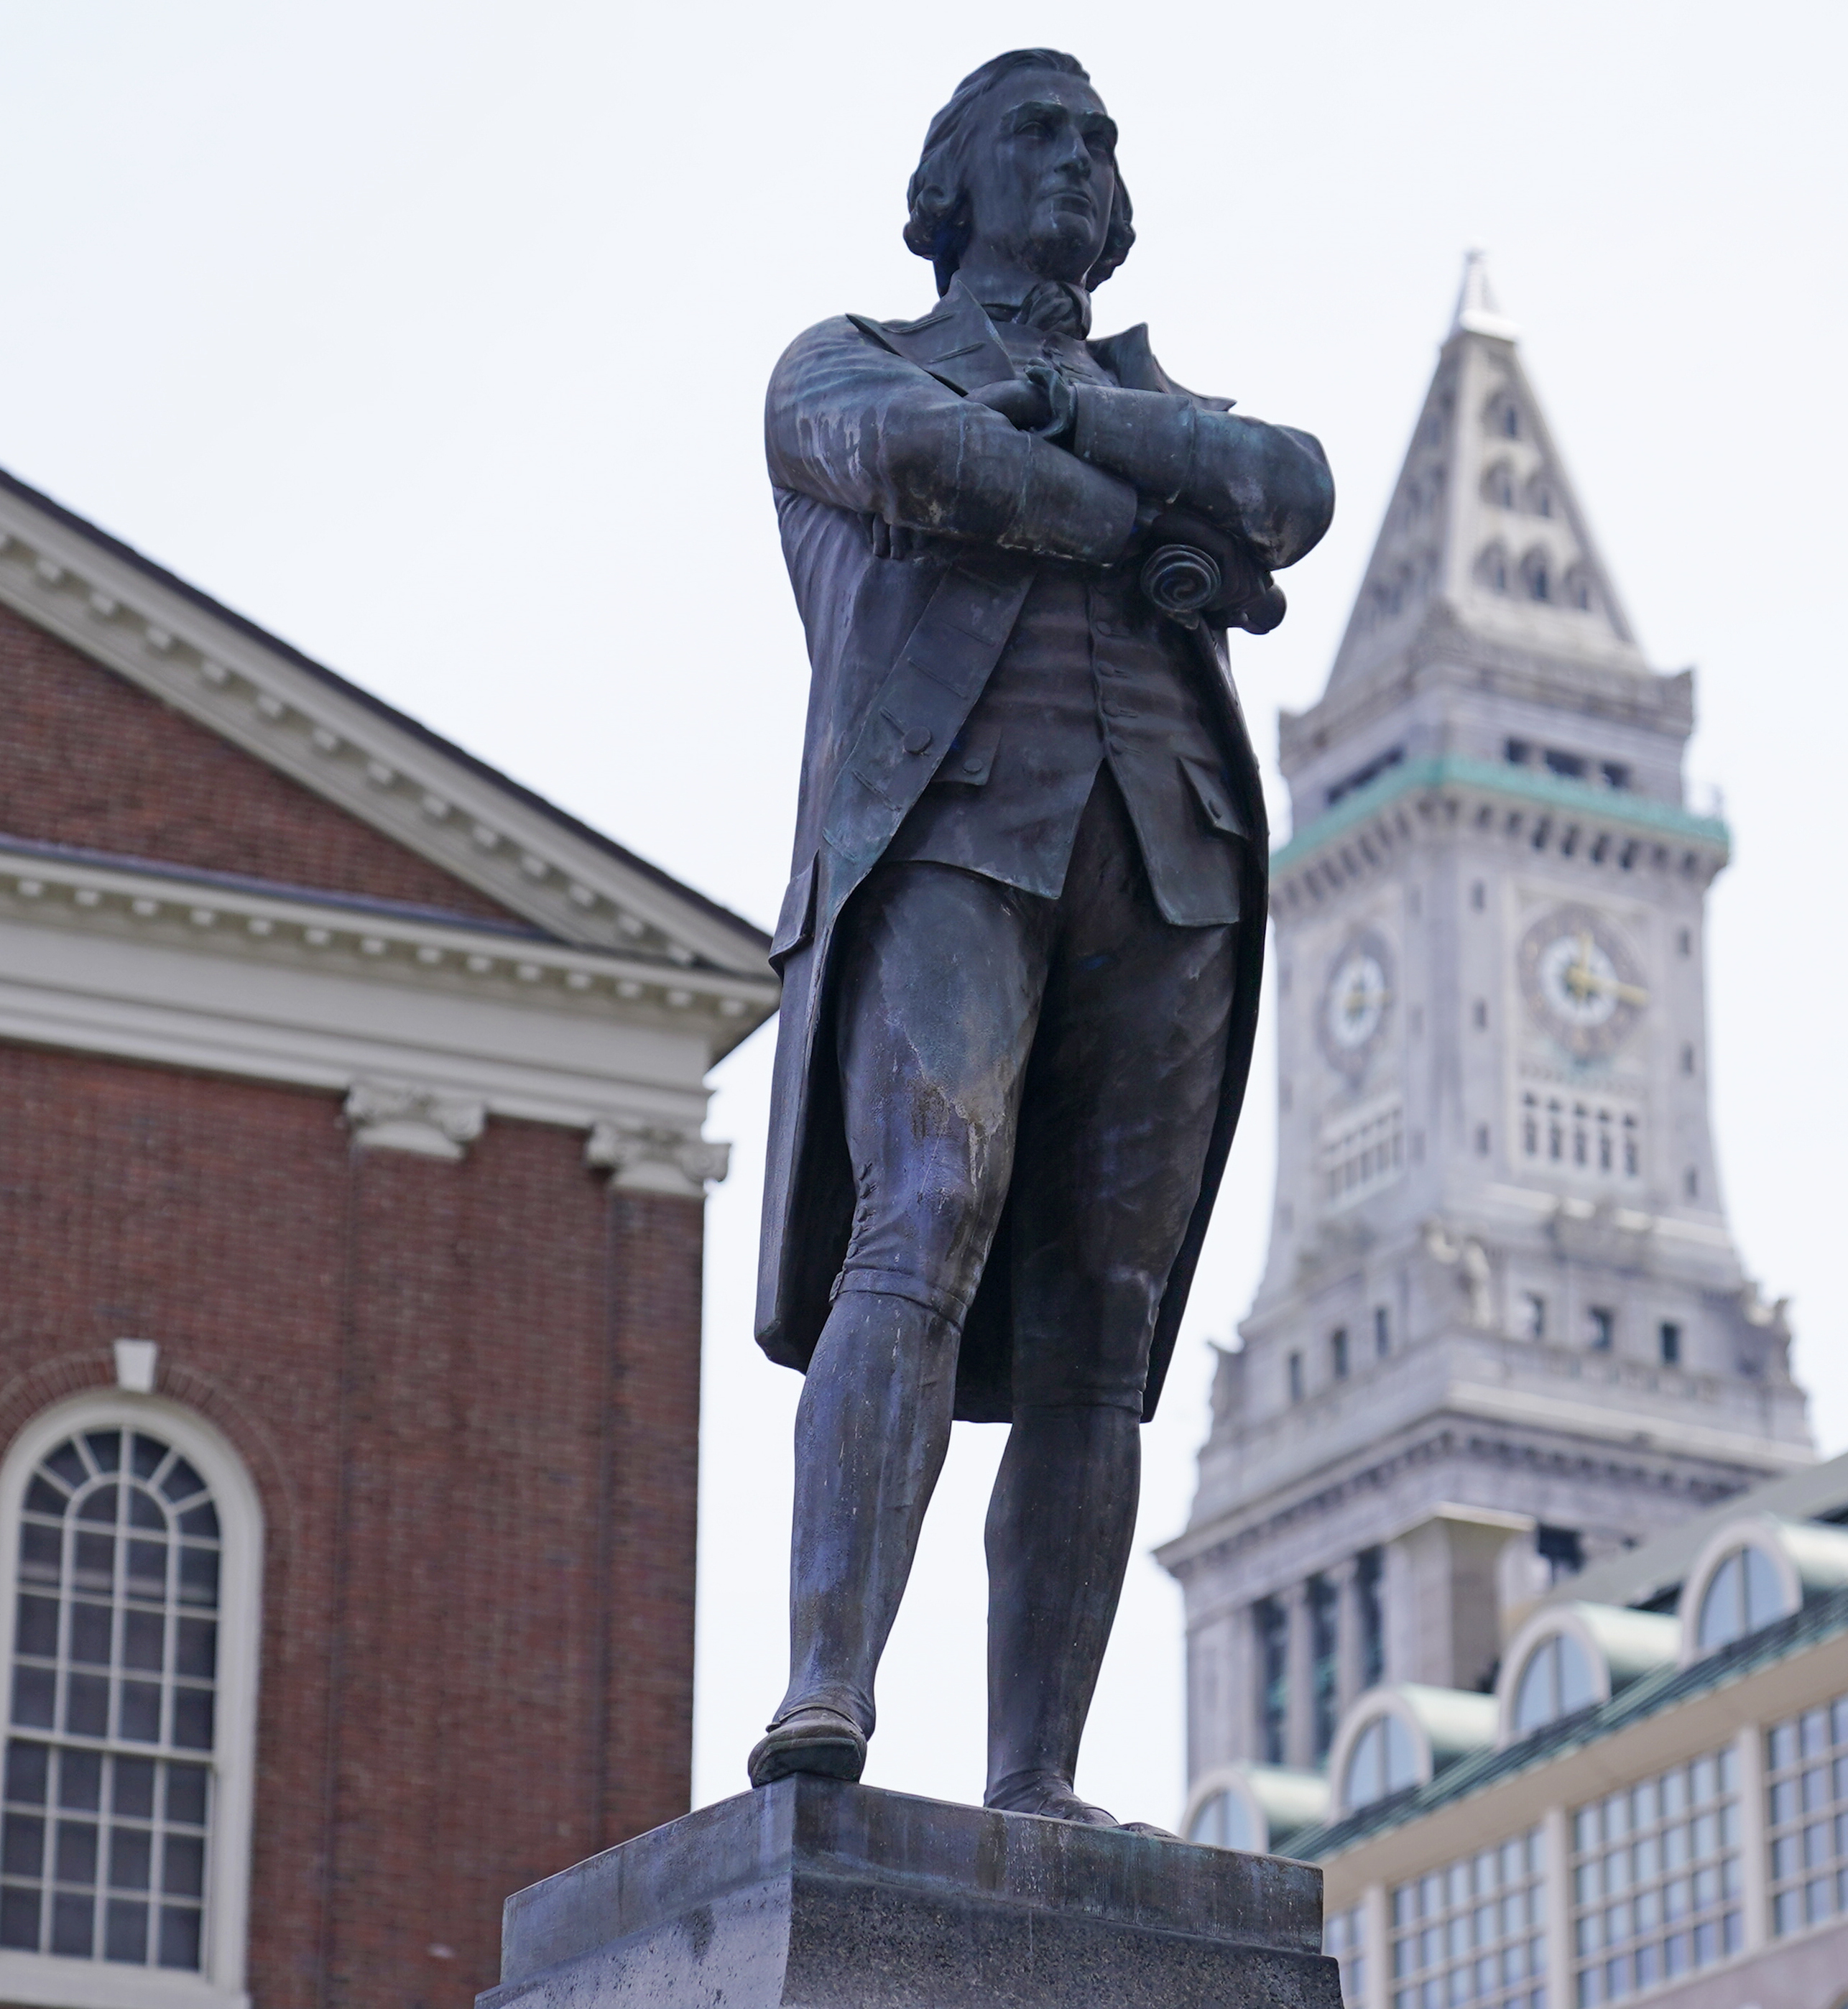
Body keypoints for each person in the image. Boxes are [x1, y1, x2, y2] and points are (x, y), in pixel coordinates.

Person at [745, 47, 1330, 1828]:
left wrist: (1098, 430)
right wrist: (1146, 518)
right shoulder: (849, 363)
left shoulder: (1171, 406)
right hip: (952, 838)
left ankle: (1038, 1779)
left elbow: (1289, 487)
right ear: (953, 185)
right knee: (921, 1212)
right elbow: (921, 465)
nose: (1076, 161)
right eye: (1038, 133)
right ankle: (824, 1692)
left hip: (1171, 863)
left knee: (1105, 1311)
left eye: (1099, 142)